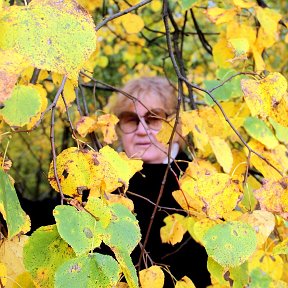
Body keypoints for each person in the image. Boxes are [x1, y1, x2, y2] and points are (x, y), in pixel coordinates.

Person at [110, 76, 211, 288]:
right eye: (131, 119)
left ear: (175, 124)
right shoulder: (103, 183)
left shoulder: (200, 186)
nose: (141, 130)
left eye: (154, 118)